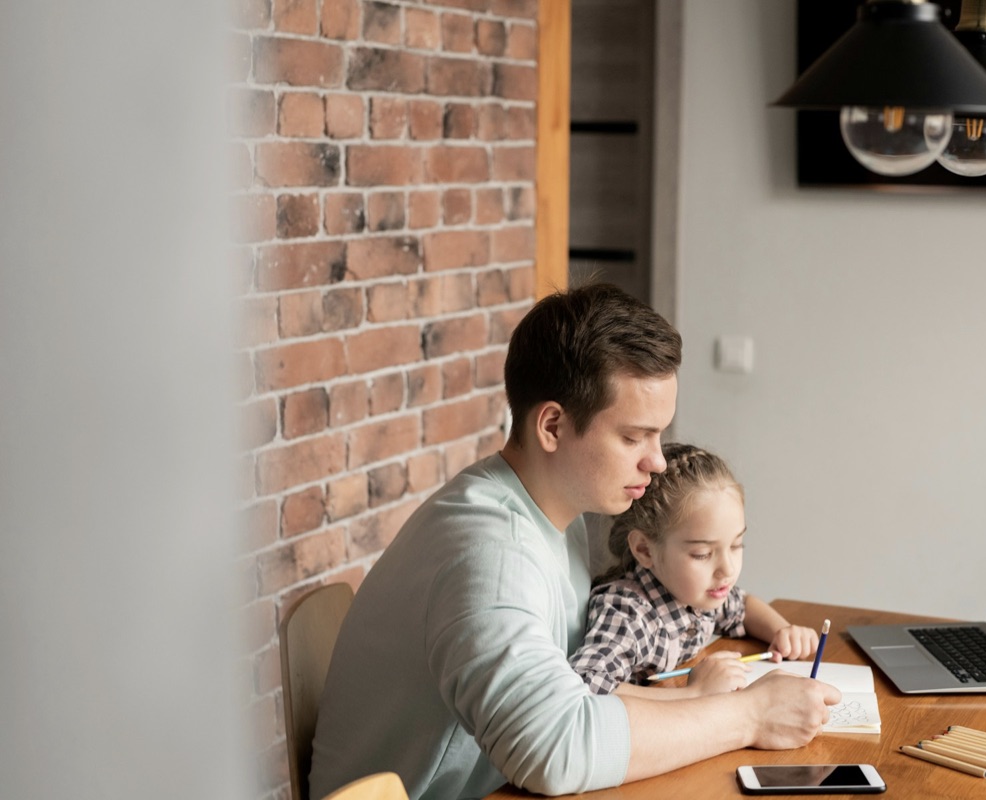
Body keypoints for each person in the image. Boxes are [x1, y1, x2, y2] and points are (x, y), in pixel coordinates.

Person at [307, 283, 839, 800]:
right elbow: (554, 750)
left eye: (658, 435)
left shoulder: (549, 515)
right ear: (553, 426)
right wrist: (748, 716)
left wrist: (699, 698)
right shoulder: (492, 551)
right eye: (633, 437)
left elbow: (570, 692)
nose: (656, 461)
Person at [570, 442, 819, 697]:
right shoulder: (628, 613)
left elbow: (742, 607)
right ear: (645, 550)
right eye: (703, 554)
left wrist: (782, 631)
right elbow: (586, 688)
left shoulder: (697, 593)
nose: (727, 569)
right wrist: (693, 694)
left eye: (736, 545)